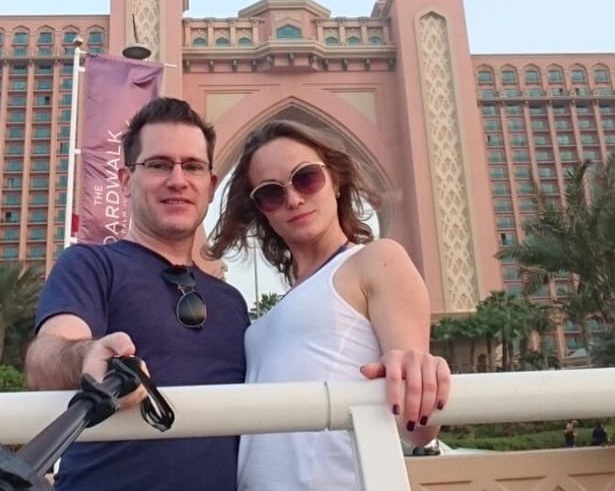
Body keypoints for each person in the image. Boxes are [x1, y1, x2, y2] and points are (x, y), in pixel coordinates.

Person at [206, 119, 452, 490]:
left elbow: (417, 425)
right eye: (271, 193)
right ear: (262, 212)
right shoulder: (278, 309)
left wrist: (420, 377)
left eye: (306, 178)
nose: (293, 199)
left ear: (335, 180)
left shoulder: (376, 260)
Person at [26, 97, 248, 491]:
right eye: (159, 165)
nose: (177, 180)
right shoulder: (90, 266)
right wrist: (89, 356)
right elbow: (46, 357)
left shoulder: (233, 303)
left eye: (193, 166)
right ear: (126, 180)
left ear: (211, 186)